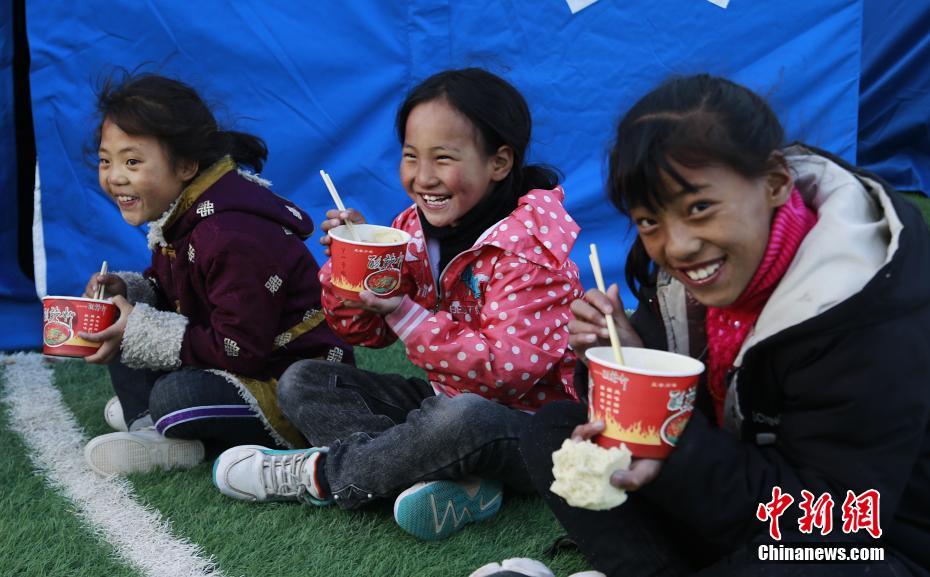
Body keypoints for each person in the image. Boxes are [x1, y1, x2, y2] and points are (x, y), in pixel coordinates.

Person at [489, 74, 930, 576]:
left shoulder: (859, 308)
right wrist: (621, 358)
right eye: (650, 220)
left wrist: (670, 446)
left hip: (859, 543)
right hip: (744, 506)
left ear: (775, 182)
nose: (677, 246)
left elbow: (831, 522)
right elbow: (679, 433)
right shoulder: (692, 275)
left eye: (699, 207)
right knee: (554, 433)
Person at [212, 68, 584, 541]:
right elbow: (364, 333)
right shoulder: (411, 228)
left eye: (443, 158)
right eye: (411, 156)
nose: (423, 177)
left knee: (462, 417)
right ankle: (454, 483)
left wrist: (406, 314)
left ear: (499, 162)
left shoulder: (531, 248)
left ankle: (324, 476)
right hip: (442, 407)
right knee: (304, 381)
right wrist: (351, 266)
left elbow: (505, 369)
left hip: (534, 436)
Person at [80, 73, 353, 476]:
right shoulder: (186, 210)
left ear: (186, 165)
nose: (115, 176)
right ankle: (150, 426)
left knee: (175, 395)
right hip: (233, 358)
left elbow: (242, 350)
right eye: (107, 161)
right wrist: (128, 291)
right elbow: (175, 291)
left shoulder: (228, 233)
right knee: (124, 313)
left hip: (289, 381)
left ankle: (163, 423)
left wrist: (137, 328)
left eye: (132, 161)